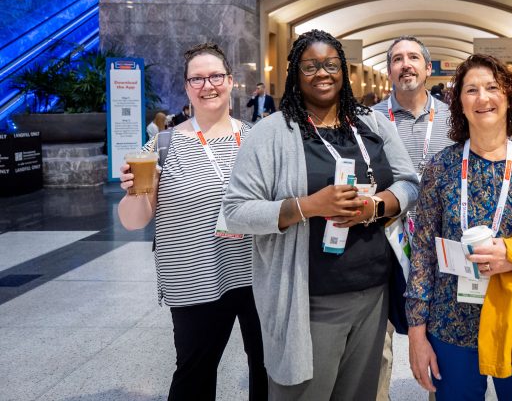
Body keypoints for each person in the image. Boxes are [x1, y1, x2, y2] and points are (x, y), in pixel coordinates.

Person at [221, 30, 419, 400]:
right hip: (308, 299)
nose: (322, 73)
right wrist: (309, 206)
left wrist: (376, 206)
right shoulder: (271, 133)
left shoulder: (371, 124)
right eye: (310, 66)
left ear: (344, 71)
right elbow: (235, 211)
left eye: (331, 65)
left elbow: (410, 183)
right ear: (295, 74)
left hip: (372, 292)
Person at [406, 54, 512, 401]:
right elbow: (422, 252)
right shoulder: (442, 167)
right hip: (452, 323)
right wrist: (416, 332)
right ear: (460, 104)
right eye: (471, 90)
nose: (483, 98)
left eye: (492, 88)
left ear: (509, 97)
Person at [116, 42, 267, 401]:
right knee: (194, 372)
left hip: (258, 272)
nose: (207, 85)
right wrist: (135, 190)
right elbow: (134, 222)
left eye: (215, 76)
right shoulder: (162, 147)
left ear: (231, 82)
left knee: (266, 368)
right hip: (195, 277)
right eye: (196, 79)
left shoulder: (256, 139)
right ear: (186, 87)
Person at [372, 35, 453, 401]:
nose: (406, 64)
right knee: (376, 343)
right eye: (397, 59)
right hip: (383, 242)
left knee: (441, 340)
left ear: (427, 67)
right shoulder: (369, 120)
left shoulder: (454, 119)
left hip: (438, 245)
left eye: (413, 57)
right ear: (388, 70)